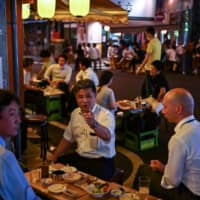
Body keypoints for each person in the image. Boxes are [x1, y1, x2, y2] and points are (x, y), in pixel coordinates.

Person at [133, 88, 200, 199]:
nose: (162, 111)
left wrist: (165, 170)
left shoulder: (179, 139)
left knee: (143, 170)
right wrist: (164, 168)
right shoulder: (197, 126)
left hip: (191, 195)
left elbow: (172, 182)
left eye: (165, 107)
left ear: (178, 109)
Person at [49, 79, 116, 181]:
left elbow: (107, 136)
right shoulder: (75, 113)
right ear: (76, 98)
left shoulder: (106, 115)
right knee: (55, 171)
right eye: (80, 97)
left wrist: (94, 124)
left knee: (92, 188)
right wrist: (54, 158)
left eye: (88, 96)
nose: (84, 100)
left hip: (102, 161)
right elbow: (67, 138)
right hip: (80, 158)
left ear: (95, 95)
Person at [0, 89, 40, 200]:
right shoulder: (5, 157)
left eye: (18, 114)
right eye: (12, 114)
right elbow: (28, 198)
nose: (18, 120)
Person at [137, 26, 161, 98]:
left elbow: (146, 58)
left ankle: (148, 104)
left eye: (146, 34)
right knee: (145, 87)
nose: (146, 35)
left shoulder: (151, 43)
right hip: (156, 68)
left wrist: (140, 68)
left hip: (149, 68)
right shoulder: (158, 42)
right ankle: (144, 99)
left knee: (148, 88)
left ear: (149, 34)